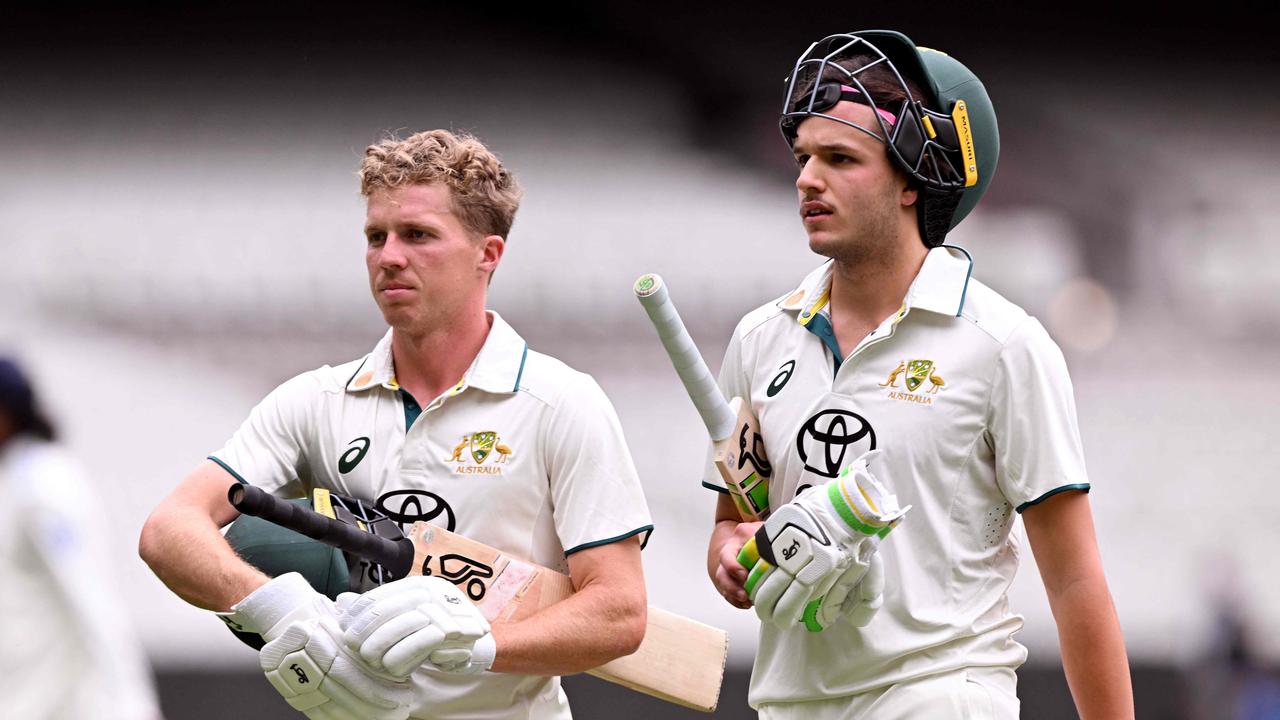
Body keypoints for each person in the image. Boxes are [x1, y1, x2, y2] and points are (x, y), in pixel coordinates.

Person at [138, 130, 652, 720]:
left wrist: (482, 648)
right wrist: (271, 603)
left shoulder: (560, 402)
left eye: (418, 235)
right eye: (375, 236)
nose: (388, 257)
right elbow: (169, 527)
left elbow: (619, 611)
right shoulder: (316, 400)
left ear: (488, 254)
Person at [704, 31, 1134, 718]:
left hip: (941, 696)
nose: (807, 179)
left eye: (840, 158)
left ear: (913, 180)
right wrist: (734, 558)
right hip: (791, 703)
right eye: (803, 157)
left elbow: (1077, 580)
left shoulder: (1004, 345)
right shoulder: (759, 341)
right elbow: (735, 519)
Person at [0, 357, 162, 719]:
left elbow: (88, 592)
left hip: (57, 703)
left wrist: (131, 704)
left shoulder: (42, 484)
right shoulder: (15, 479)